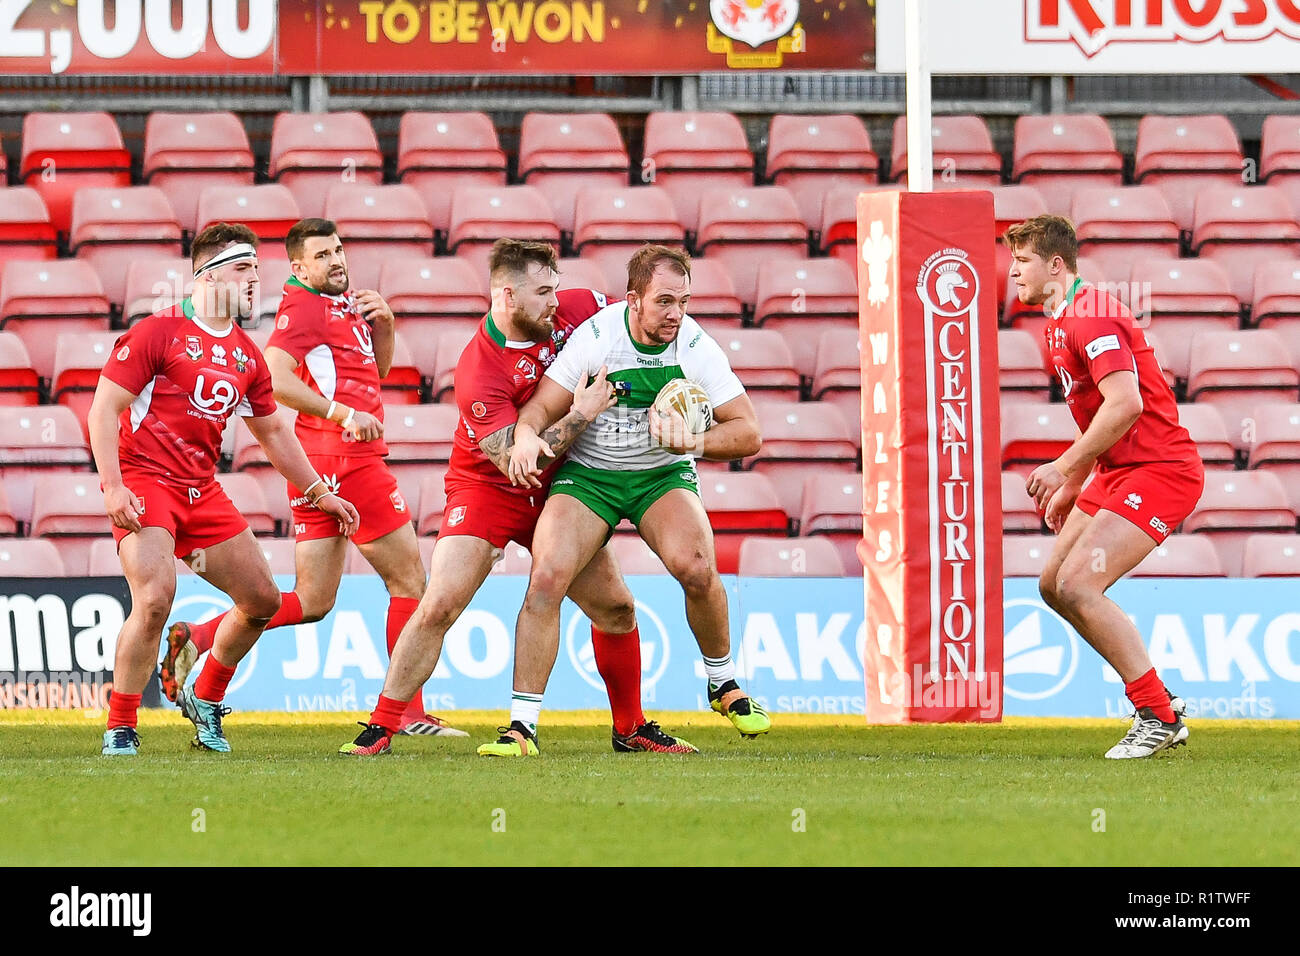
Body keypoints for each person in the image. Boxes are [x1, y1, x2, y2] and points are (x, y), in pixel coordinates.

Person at [341, 239, 697, 757]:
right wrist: (583, 412)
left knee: (617, 608)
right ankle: (381, 726)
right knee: (440, 603)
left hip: (563, 489)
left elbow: (639, 318)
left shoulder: (579, 308)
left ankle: (631, 728)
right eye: (544, 292)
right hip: (487, 488)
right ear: (507, 297)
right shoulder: (478, 370)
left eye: (556, 287)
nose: (557, 301)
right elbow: (517, 464)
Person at [159, 218, 460, 737]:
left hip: (323, 466)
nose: (336, 260)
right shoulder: (303, 306)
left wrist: (384, 326)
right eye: (322, 255)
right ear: (298, 267)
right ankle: (407, 712)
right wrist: (342, 415)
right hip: (346, 460)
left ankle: (203, 650)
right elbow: (273, 376)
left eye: (339, 249)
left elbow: (376, 374)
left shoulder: (344, 304)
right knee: (410, 581)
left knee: (315, 600)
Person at [485, 244, 770, 758]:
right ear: (633, 300)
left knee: (699, 568)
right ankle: (521, 729)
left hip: (660, 476)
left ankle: (723, 684)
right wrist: (526, 435)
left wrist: (693, 443)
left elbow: (749, 433)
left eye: (684, 301)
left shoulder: (696, 347)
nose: (676, 314)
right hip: (589, 478)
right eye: (665, 302)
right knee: (547, 577)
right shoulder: (596, 338)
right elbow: (536, 411)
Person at [90, 223, 360, 756]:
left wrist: (318, 492)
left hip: (200, 490)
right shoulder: (156, 332)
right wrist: (113, 488)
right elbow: (104, 409)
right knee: (154, 599)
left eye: (258, 269)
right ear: (208, 275)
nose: (256, 279)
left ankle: (206, 697)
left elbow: (275, 432)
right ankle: (121, 726)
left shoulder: (246, 354)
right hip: (147, 483)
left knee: (261, 600)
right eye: (243, 269)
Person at [1006, 215, 1200, 759]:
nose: (1013, 273)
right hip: (1118, 470)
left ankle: (1157, 714)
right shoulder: (1060, 319)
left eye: (1022, 262)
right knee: (1051, 585)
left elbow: (1127, 404)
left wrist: (1063, 466)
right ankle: (1157, 701)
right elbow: (1100, 415)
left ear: (1056, 265)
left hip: (1160, 469)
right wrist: (1077, 481)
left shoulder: (1090, 316)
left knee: (1078, 586)